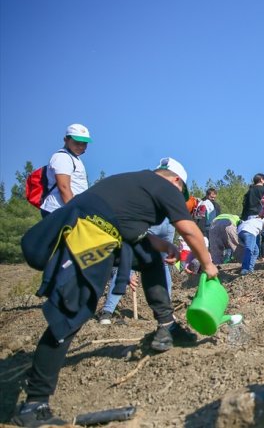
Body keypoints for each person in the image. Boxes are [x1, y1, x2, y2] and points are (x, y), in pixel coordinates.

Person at [15, 157, 218, 426]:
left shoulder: (130, 184)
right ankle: (34, 405)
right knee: (71, 313)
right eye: (180, 195)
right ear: (176, 181)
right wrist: (207, 263)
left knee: (148, 256)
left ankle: (166, 326)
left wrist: (163, 246)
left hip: (98, 229)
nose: (177, 201)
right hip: (88, 234)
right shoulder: (165, 186)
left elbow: (135, 233)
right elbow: (188, 228)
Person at [40, 124, 91, 218]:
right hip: (58, 211)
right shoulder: (62, 157)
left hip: (65, 210)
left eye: (84, 143)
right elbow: (64, 187)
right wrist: (74, 212)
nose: (81, 146)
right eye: (77, 142)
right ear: (66, 140)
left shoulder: (73, 157)